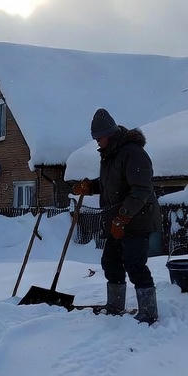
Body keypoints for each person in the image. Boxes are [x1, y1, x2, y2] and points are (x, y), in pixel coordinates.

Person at [72, 108, 161, 324]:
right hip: (118, 221)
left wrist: (123, 217)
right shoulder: (110, 155)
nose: (97, 143)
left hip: (137, 220)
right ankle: (115, 306)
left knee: (135, 264)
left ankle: (149, 312)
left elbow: (141, 190)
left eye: (99, 138)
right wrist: (90, 187)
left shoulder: (133, 153)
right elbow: (110, 185)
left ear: (109, 134)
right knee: (110, 261)